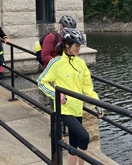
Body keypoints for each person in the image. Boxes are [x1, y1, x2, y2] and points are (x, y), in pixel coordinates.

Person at [37, 28, 104, 165]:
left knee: (73, 145)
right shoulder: (55, 63)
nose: (79, 48)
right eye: (76, 46)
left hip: (77, 108)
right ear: (67, 45)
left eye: (80, 46)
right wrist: (56, 95)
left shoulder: (81, 63)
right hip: (63, 109)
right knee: (84, 137)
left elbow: (88, 88)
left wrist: (98, 105)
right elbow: (41, 82)